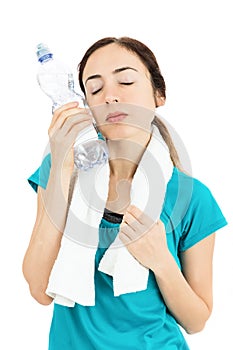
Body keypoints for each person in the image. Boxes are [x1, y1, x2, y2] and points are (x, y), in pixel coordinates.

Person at [22, 37, 227, 350]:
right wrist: (63, 167)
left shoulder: (193, 198)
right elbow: (39, 288)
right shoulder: (60, 168)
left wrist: (161, 261)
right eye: (95, 88)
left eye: (126, 80)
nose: (111, 97)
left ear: (159, 94)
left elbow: (196, 321)